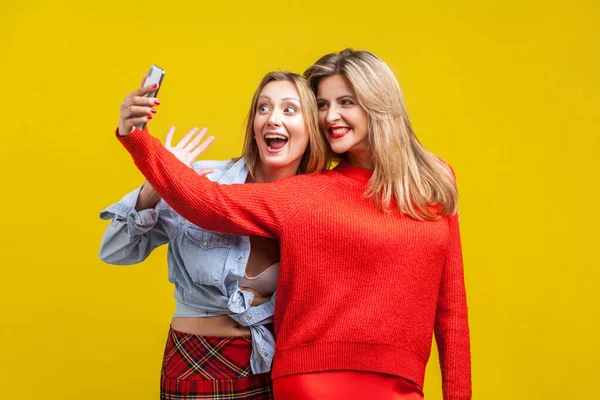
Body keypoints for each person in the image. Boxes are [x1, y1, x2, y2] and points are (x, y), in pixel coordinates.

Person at [114, 49, 472, 400]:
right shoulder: (309, 192)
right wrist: (139, 140)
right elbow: (210, 203)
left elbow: (451, 305)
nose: (331, 116)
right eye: (322, 104)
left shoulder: (434, 180)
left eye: (346, 102)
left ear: (378, 102)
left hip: (399, 381)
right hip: (311, 381)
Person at [99, 71, 329, 400]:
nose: (272, 119)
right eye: (263, 108)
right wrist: (159, 180)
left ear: (312, 128)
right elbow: (116, 251)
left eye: (289, 110)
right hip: (196, 366)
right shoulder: (204, 181)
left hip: (276, 368)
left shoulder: (319, 204)